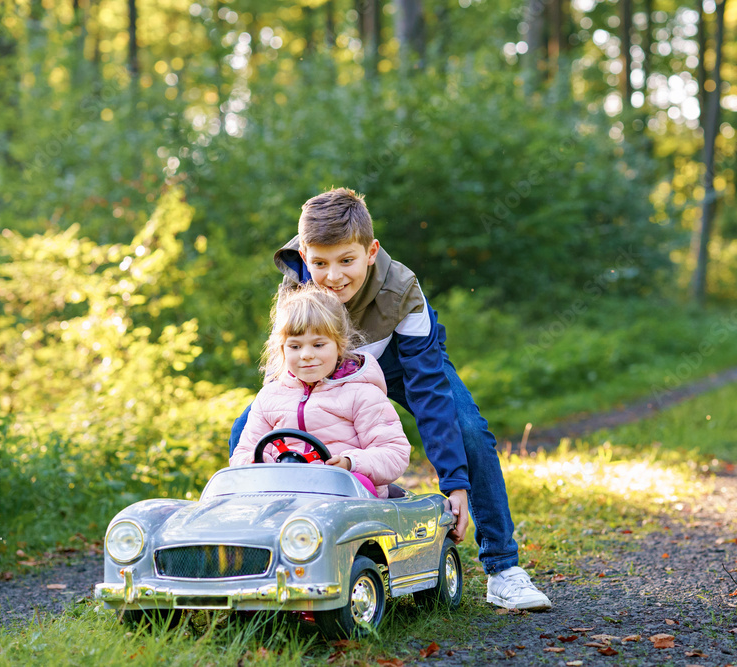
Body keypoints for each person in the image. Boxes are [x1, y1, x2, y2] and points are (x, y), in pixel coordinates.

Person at [230, 187, 552, 611]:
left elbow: (430, 391)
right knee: (247, 428)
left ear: (370, 251)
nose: (333, 276)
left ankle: (503, 568)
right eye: (320, 263)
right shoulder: (296, 283)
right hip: (330, 367)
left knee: (469, 430)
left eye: (347, 260)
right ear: (305, 256)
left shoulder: (402, 289)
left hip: (401, 363)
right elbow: (284, 370)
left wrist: (454, 482)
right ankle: (274, 552)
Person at [230, 283, 410, 499]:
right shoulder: (270, 397)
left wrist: (350, 463)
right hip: (283, 493)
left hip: (347, 495)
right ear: (282, 349)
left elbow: (394, 453)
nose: (306, 355)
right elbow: (243, 452)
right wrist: (261, 464)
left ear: (339, 345)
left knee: (350, 485)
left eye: (318, 345)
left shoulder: (362, 394)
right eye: (295, 346)